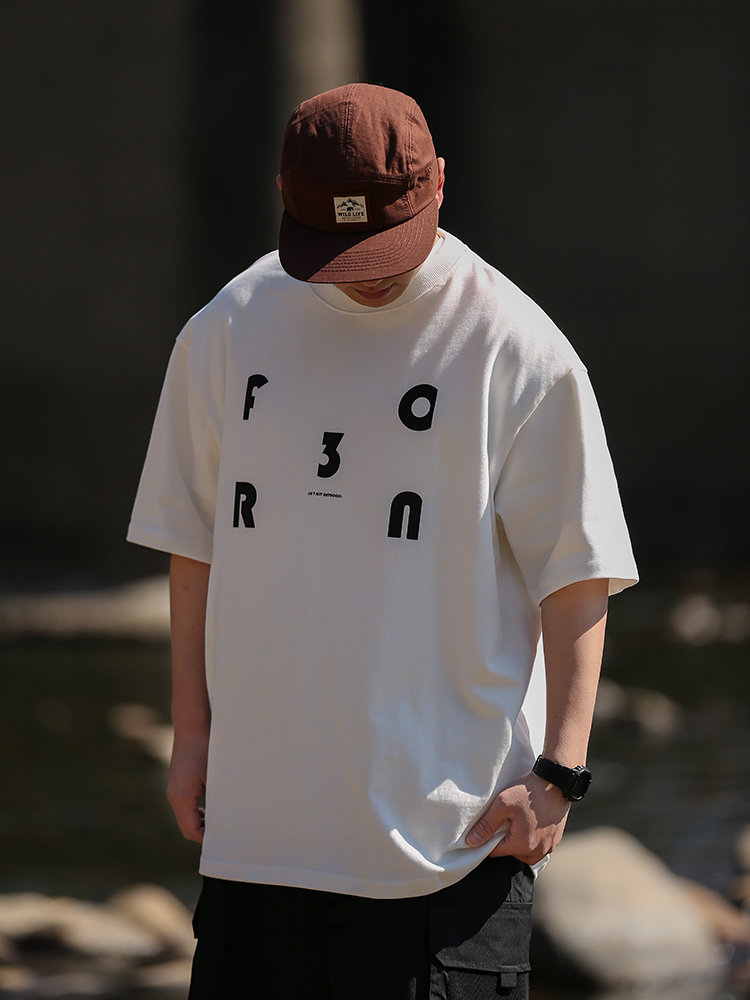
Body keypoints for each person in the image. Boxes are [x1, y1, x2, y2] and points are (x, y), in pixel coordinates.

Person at [128, 83, 638, 1000]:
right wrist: (192, 733)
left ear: (439, 183)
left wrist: (561, 771)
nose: (366, 275)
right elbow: (193, 541)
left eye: (385, 247)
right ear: (285, 200)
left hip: (445, 851)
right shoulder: (227, 328)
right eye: (337, 249)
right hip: (258, 842)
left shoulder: (517, 347)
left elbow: (578, 570)